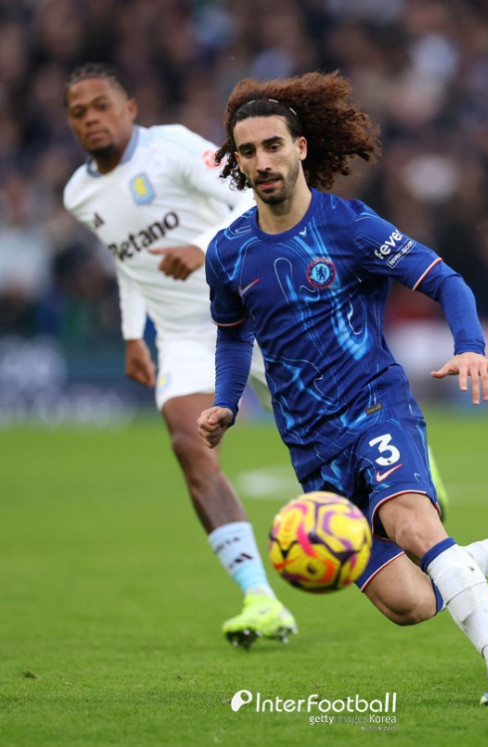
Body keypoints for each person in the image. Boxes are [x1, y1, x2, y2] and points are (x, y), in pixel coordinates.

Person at [196, 71, 488, 704]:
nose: (262, 162)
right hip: (311, 447)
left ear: (300, 148)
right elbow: (231, 336)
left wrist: (470, 347)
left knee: (414, 525)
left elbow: (446, 281)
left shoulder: (349, 226)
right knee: (409, 603)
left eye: (273, 146)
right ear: (237, 161)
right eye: (248, 151)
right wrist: (225, 402)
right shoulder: (228, 252)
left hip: (375, 409)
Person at [62, 62, 297, 648]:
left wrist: (199, 245)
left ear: (130, 108)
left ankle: (410, 483)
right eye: (78, 112)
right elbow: (128, 257)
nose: (91, 118)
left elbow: (249, 199)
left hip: (257, 310)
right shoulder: (78, 194)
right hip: (185, 336)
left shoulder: (170, 149)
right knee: (191, 445)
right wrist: (132, 333)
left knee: (330, 437)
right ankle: (260, 598)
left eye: (101, 105)